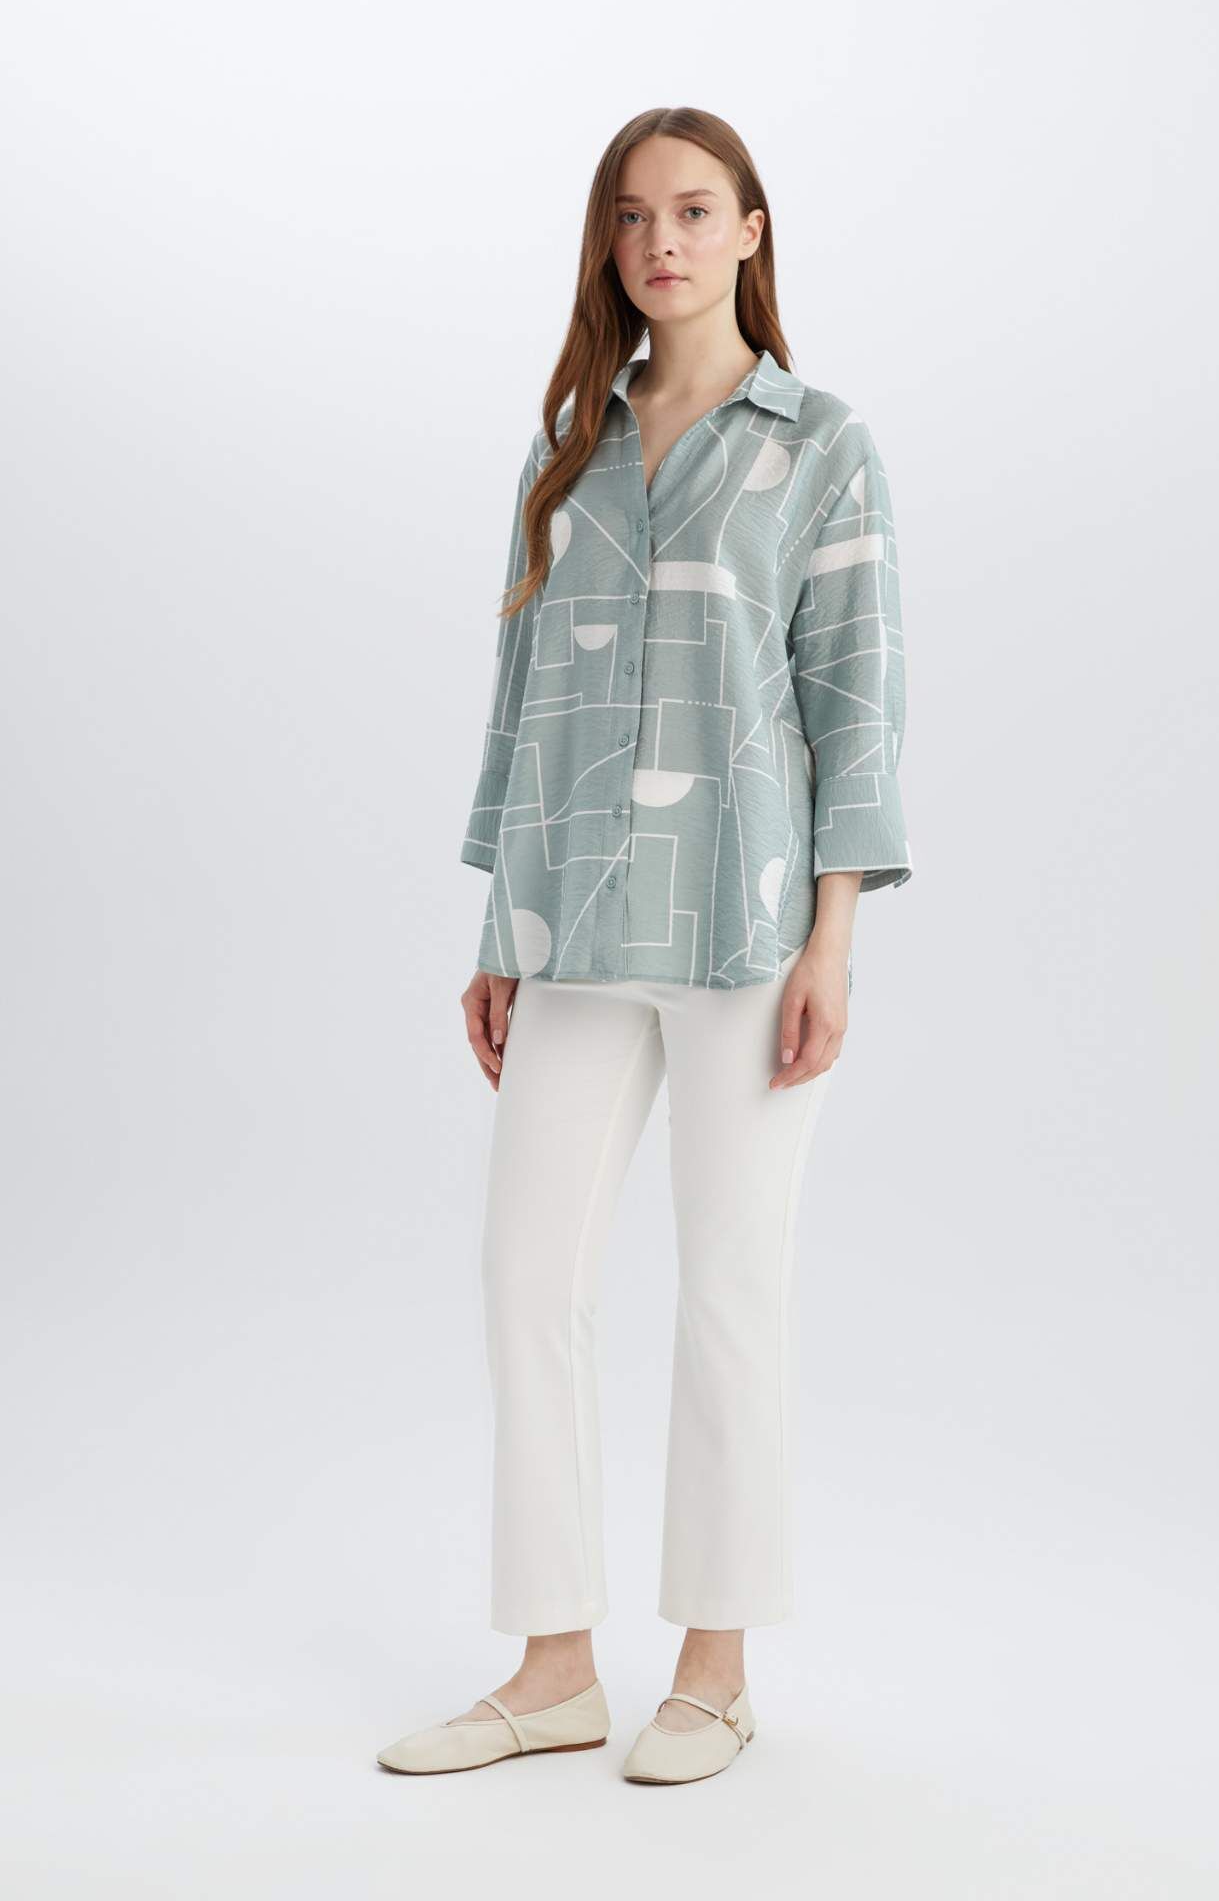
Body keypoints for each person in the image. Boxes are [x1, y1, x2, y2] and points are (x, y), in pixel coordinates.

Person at [378, 105, 912, 1786]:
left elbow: (857, 704)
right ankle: (553, 1668)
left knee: (730, 1290)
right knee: (526, 1278)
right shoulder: (572, 444)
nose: (658, 242)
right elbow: (521, 695)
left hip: (749, 920)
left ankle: (715, 1670)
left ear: (751, 230)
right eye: (630, 215)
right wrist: (500, 924)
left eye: (691, 210)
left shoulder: (821, 444)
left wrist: (834, 942)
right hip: (571, 920)